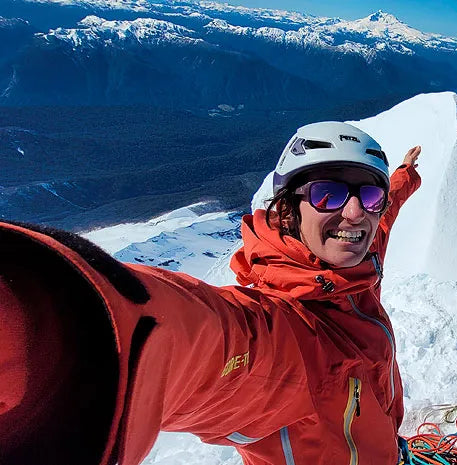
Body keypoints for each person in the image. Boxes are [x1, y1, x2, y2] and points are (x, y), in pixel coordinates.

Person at [0, 122, 422, 465]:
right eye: (326, 193)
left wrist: (403, 178)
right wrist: (46, 313)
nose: (353, 212)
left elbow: (378, 226)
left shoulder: (356, 270)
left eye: (368, 195)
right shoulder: (283, 337)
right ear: (289, 210)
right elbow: (186, 340)